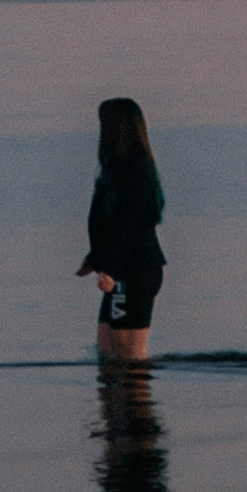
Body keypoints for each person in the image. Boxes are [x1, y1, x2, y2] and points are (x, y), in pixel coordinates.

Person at [75, 94, 165, 362]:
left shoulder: (137, 171)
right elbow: (108, 223)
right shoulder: (113, 170)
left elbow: (132, 226)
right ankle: (112, 405)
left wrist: (111, 270)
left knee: (129, 355)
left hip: (134, 272)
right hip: (121, 271)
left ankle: (137, 403)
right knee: (106, 351)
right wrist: (95, 258)